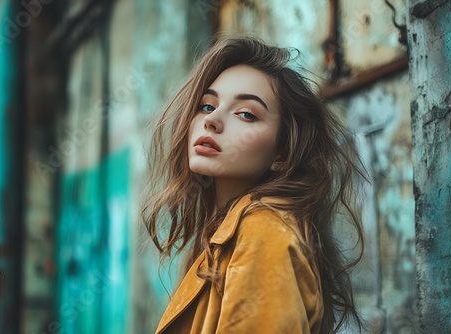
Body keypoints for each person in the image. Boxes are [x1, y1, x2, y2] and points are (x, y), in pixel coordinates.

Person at [142, 35, 365, 334]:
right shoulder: (226, 235)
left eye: (246, 114)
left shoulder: (263, 232)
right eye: (207, 106)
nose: (213, 121)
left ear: (283, 154)